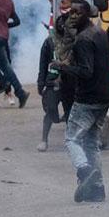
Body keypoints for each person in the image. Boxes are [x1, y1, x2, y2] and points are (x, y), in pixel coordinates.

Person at [52, 0, 109, 204]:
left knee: (71, 139)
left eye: (77, 12)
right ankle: (98, 189)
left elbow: (86, 71)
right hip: (104, 97)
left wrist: (62, 66)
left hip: (88, 98)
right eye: (71, 12)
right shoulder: (100, 33)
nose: (72, 16)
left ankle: (84, 172)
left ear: (87, 15)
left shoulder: (83, 39)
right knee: (91, 143)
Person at [36, 14, 74, 152]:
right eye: (61, 24)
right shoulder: (49, 42)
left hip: (70, 82)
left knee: (70, 112)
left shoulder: (76, 42)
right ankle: (44, 140)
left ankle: (71, 141)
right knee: (50, 110)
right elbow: (43, 64)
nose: (63, 26)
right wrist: (41, 83)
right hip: (52, 82)